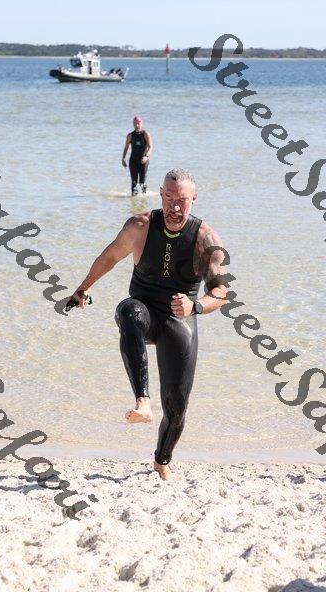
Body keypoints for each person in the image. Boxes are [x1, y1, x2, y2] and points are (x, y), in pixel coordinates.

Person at [71, 169, 227, 480]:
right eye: (169, 198)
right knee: (127, 310)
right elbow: (110, 257)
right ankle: (142, 402)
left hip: (179, 320)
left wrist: (195, 305)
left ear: (194, 199)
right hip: (143, 313)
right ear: (160, 194)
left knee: (177, 407)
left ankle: (161, 461)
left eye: (182, 200)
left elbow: (221, 293)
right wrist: (83, 288)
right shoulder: (140, 226)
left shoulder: (205, 239)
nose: (175, 207)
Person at [122, 116, 153, 196]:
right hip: (133, 161)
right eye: (135, 123)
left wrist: (146, 156)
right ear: (133, 124)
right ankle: (133, 199)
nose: (137, 125)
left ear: (141, 123)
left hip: (143, 161)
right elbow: (126, 147)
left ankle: (144, 198)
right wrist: (123, 159)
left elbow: (150, 147)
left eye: (138, 123)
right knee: (134, 182)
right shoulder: (130, 135)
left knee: (142, 182)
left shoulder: (145, 134)